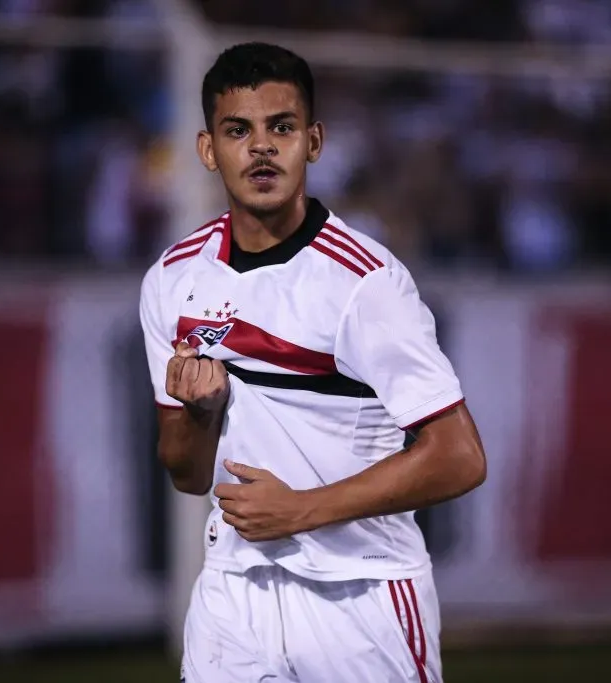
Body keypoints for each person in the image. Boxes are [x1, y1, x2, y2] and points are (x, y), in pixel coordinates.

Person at [139, 42, 487, 683]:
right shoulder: (172, 278)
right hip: (234, 591)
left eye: (283, 127)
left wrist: (303, 509)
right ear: (208, 149)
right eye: (239, 130)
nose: (262, 147)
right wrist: (203, 413)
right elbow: (186, 473)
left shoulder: (365, 284)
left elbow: (459, 456)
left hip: (361, 595)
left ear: (315, 142)